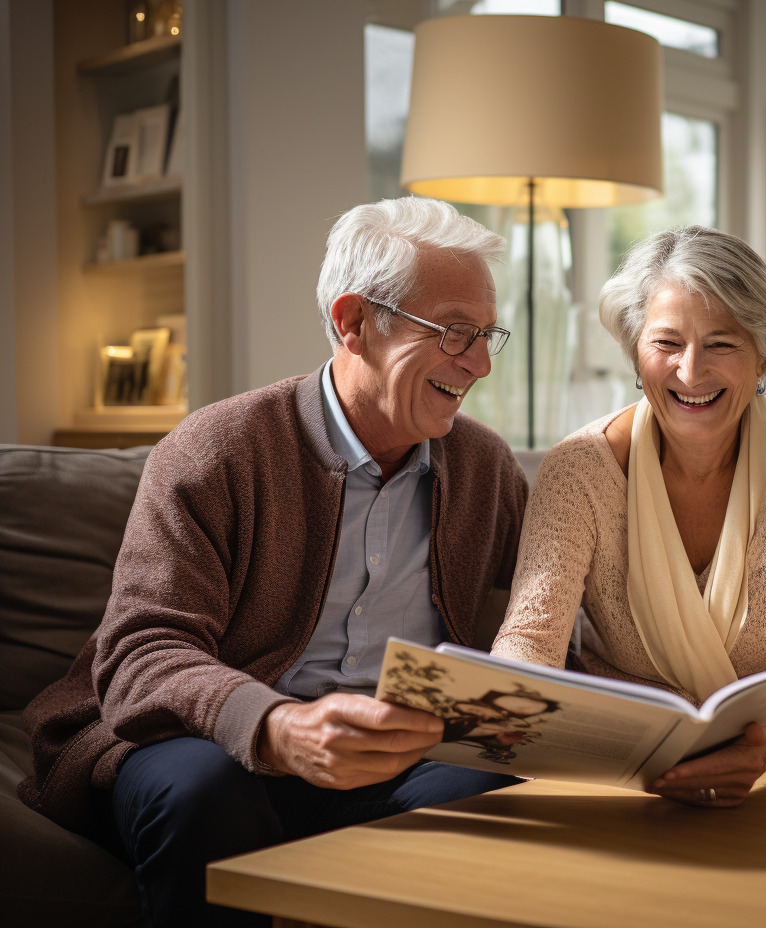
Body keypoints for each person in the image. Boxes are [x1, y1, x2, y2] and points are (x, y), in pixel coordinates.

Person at [19, 197, 529, 927]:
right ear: (354, 322)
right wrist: (279, 728)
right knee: (204, 794)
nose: (477, 363)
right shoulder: (215, 452)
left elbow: (558, 610)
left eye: (485, 335)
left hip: (397, 753)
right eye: (453, 332)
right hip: (205, 739)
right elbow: (142, 651)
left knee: (490, 796)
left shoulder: (483, 466)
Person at [490, 226, 766, 808]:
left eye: (721, 344)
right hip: (621, 767)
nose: (691, 372)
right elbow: (529, 642)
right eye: (667, 343)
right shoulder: (578, 469)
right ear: (635, 350)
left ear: (762, 352)